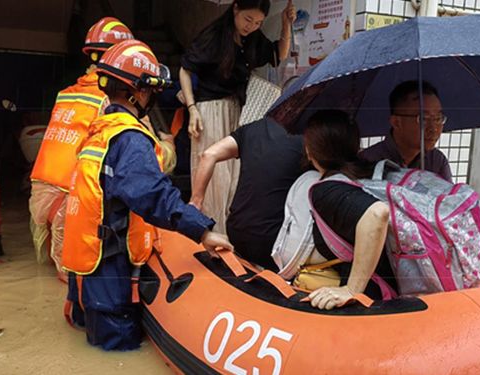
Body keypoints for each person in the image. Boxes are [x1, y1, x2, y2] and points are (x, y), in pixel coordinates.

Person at [61, 40, 233, 351]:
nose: (152, 97)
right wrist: (203, 230)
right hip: (110, 272)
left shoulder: (99, 130)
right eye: (151, 91)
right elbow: (153, 195)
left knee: (92, 347)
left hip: (84, 268)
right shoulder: (129, 139)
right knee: (117, 352)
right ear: (138, 91)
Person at [29, 17, 134, 277]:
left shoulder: (66, 93)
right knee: (77, 275)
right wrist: (168, 147)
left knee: (59, 272)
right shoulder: (110, 99)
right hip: (72, 196)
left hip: (42, 189)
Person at [179, 0, 296, 232]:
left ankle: (228, 236)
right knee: (215, 179)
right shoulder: (214, 35)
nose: (251, 26)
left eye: (258, 22)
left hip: (236, 111)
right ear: (235, 9)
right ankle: (209, 234)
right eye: (248, 19)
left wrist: (286, 23)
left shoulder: (252, 37)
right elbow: (185, 69)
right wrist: (192, 109)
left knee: (234, 177)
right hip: (208, 110)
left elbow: (278, 54)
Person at [303, 110, 397, 310]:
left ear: (310, 151)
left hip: (373, 302)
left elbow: (376, 213)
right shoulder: (372, 173)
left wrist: (352, 289)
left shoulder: (327, 190)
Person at [189, 117, 304, 270]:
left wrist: (195, 202)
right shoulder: (308, 137)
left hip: (236, 230)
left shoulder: (254, 128)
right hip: (274, 240)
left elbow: (209, 154)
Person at [360, 80, 453, 182]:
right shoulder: (368, 162)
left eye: (438, 118)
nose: (434, 128)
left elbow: (450, 197)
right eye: (423, 118)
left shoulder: (436, 161)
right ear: (396, 122)